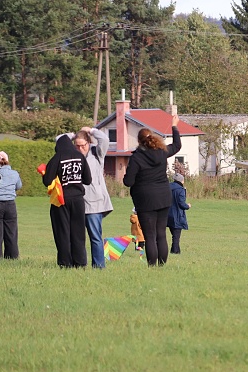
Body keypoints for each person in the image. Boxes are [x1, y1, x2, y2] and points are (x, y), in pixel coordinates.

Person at [122, 114, 182, 267]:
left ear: (139, 141)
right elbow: (177, 146)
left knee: (149, 235)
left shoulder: (137, 158)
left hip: (145, 200)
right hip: (163, 197)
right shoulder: (162, 152)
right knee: (161, 233)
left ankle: (152, 266)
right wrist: (174, 126)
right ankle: (162, 265)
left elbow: (128, 182)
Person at [59, 127, 114, 269]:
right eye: (77, 145)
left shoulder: (97, 153)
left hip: (94, 203)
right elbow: (59, 140)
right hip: (76, 202)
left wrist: (91, 130)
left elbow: (105, 139)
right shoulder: (71, 155)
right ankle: (77, 264)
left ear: (89, 143)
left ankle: (98, 266)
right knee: (75, 237)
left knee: (95, 237)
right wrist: (72, 135)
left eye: (83, 145)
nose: (80, 148)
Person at [43, 133, 92, 268]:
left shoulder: (57, 157)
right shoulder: (80, 157)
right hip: (78, 200)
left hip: (61, 200)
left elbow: (47, 181)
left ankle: (65, 263)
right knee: (78, 232)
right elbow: (88, 180)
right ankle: (80, 262)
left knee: (62, 231)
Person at [0, 151, 22, 259]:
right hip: (10, 204)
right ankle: (12, 256)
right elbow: (18, 186)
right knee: (11, 232)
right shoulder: (14, 173)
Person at [168, 173, 191, 254]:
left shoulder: (167, 187)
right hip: (177, 215)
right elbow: (181, 203)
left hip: (167, 214)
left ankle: (176, 251)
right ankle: (175, 251)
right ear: (181, 181)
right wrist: (187, 206)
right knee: (176, 235)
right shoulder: (180, 190)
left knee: (174, 235)